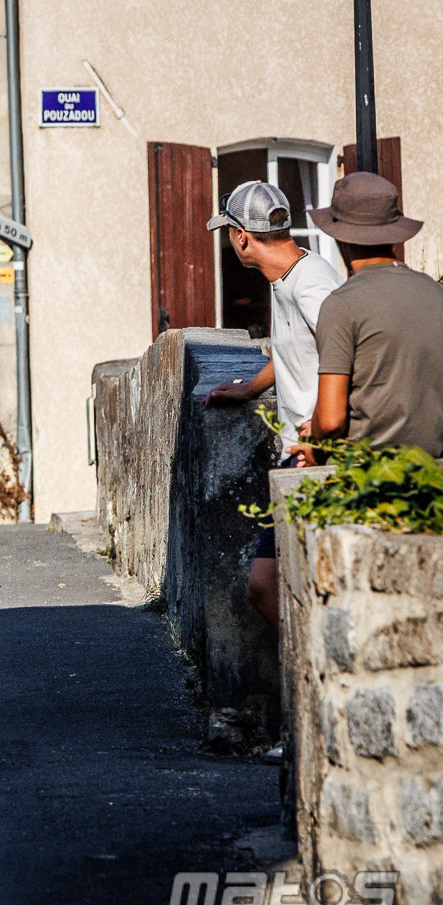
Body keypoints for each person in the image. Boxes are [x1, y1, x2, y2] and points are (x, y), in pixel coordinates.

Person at [203, 180, 341, 630]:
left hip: (312, 456)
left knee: (266, 587)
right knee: (276, 586)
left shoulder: (310, 282)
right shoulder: (287, 278)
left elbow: (349, 354)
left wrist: (317, 436)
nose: (230, 241)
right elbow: (296, 352)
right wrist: (250, 388)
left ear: (241, 236)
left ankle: (321, 688)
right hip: (299, 454)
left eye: (228, 232)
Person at [295, 172, 443, 465]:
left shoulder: (341, 304)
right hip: (431, 475)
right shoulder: (435, 292)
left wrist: (315, 445)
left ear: (340, 237)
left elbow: (332, 420)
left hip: (367, 478)